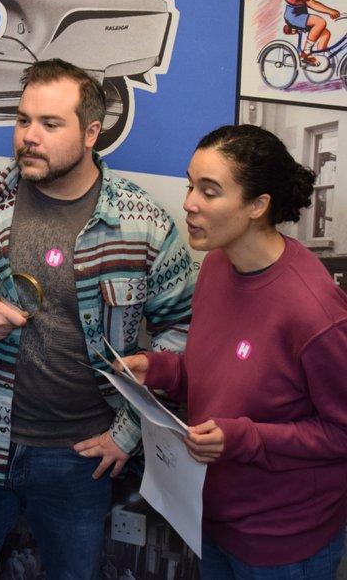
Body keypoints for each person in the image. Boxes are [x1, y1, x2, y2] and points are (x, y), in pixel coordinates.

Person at [0, 58, 195, 579]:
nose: (28, 137)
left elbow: (184, 330)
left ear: (91, 133)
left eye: (49, 124)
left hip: (78, 456)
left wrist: (129, 432)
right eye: (22, 120)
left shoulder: (142, 224)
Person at [120, 124, 347, 578]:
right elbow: (222, 378)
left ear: (258, 206)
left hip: (282, 543)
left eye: (209, 191)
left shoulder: (315, 310)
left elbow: (341, 433)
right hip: (212, 518)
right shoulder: (219, 265)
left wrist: (242, 438)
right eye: (190, 185)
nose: (189, 203)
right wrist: (160, 369)